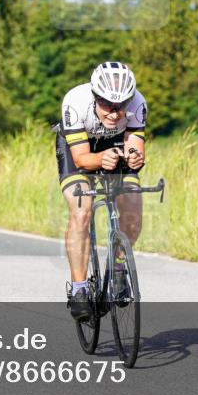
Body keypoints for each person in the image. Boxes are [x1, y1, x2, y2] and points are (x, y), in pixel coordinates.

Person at [56, 62, 147, 319]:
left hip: (116, 144)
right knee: (81, 210)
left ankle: (118, 268)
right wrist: (100, 160)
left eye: (121, 106)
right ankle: (79, 289)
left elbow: (136, 144)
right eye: (107, 104)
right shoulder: (75, 100)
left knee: (132, 205)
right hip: (79, 147)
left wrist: (135, 157)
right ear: (95, 96)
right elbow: (83, 158)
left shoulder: (138, 102)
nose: (114, 113)